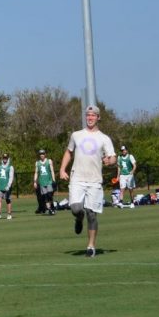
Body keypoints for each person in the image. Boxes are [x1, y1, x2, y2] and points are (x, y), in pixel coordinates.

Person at [59, 105, 116, 258]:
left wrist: (109, 161)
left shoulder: (104, 138)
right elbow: (68, 152)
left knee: (92, 214)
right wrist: (62, 169)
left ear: (98, 117)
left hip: (95, 180)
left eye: (93, 115)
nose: (90, 118)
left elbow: (113, 157)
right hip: (77, 178)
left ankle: (91, 246)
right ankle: (78, 218)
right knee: (76, 209)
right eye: (88, 115)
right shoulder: (76, 135)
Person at [33, 149, 57, 215]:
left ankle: (52, 207)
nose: (42, 155)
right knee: (45, 196)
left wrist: (54, 180)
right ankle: (49, 209)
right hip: (42, 182)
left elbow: (52, 171)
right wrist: (35, 181)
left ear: (45, 154)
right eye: (40, 154)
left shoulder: (49, 161)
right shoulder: (37, 163)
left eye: (43, 154)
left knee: (50, 195)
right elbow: (36, 172)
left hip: (49, 181)